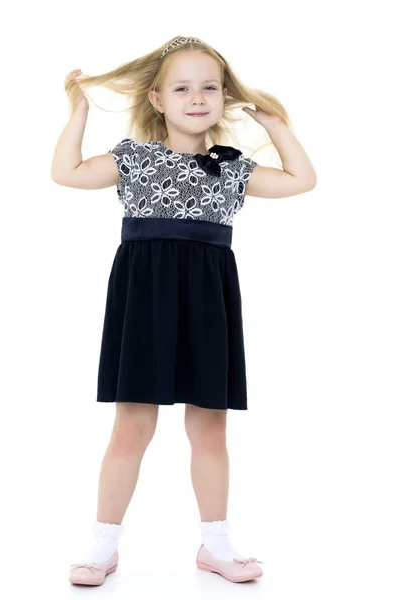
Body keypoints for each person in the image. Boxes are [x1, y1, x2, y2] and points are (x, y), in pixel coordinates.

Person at [52, 35, 317, 586]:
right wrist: (78, 109)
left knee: (211, 428)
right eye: (182, 88)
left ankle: (216, 546)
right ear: (156, 99)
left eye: (209, 88)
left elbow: (301, 180)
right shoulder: (134, 158)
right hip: (143, 301)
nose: (197, 98)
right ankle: (102, 547)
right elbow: (67, 172)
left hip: (208, 304)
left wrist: (273, 122)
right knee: (132, 426)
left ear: (223, 97)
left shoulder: (232, 168)